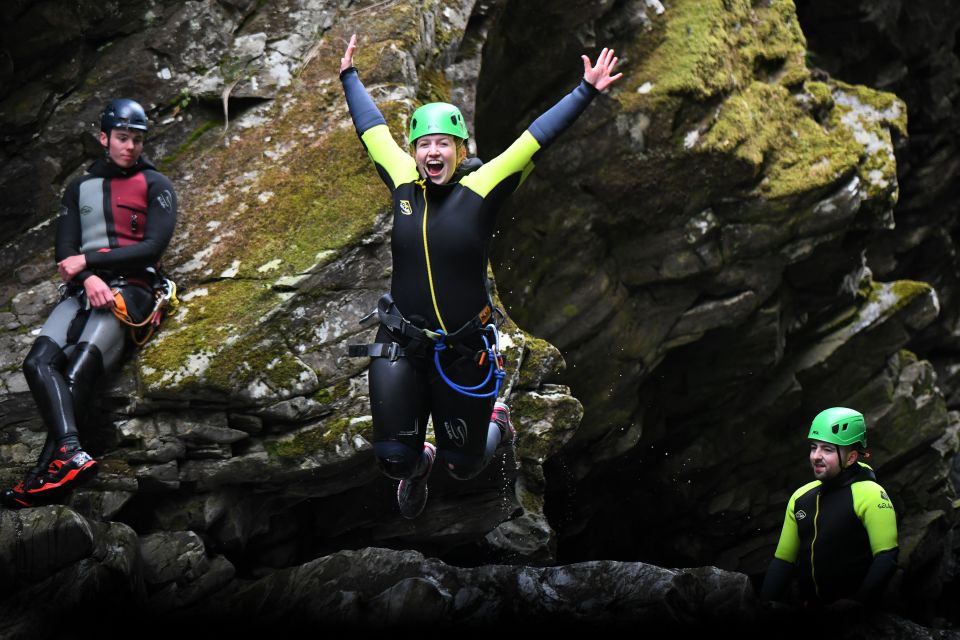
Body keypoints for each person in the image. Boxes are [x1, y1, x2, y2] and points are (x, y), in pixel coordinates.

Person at [340, 34, 622, 518]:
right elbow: (371, 129)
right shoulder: (402, 180)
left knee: (465, 465)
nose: (432, 152)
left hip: (463, 348)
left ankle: (497, 419)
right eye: (423, 144)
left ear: (459, 148)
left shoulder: (484, 185)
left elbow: (536, 137)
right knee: (394, 459)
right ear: (413, 150)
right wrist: (349, 76)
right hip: (402, 342)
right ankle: (418, 464)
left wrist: (586, 90)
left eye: (442, 144)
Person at [1, 99, 177, 509]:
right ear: (104, 138)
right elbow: (64, 251)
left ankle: (44, 475)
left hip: (132, 290)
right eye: (121, 138)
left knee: (80, 366)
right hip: (83, 289)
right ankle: (70, 451)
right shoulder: (79, 188)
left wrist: (91, 262)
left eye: (136, 139)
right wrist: (89, 276)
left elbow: (152, 248)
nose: (130, 146)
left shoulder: (157, 185)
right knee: (37, 363)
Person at [761, 407, 899, 606]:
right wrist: (763, 606)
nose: (816, 456)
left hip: (857, 617)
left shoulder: (870, 494)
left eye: (827, 449)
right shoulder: (801, 497)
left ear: (851, 458)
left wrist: (858, 603)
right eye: (813, 447)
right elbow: (783, 561)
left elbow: (887, 557)